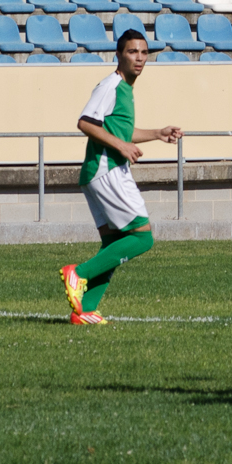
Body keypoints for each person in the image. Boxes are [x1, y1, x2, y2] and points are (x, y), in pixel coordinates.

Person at [60, 29, 181, 325]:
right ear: (118, 54)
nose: (139, 58)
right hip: (107, 170)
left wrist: (156, 134)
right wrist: (122, 146)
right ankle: (79, 273)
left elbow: (121, 131)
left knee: (113, 244)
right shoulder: (111, 85)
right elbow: (85, 123)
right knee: (142, 238)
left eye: (143, 52)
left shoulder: (125, 89)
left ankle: (84, 311)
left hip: (99, 172)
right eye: (132, 52)